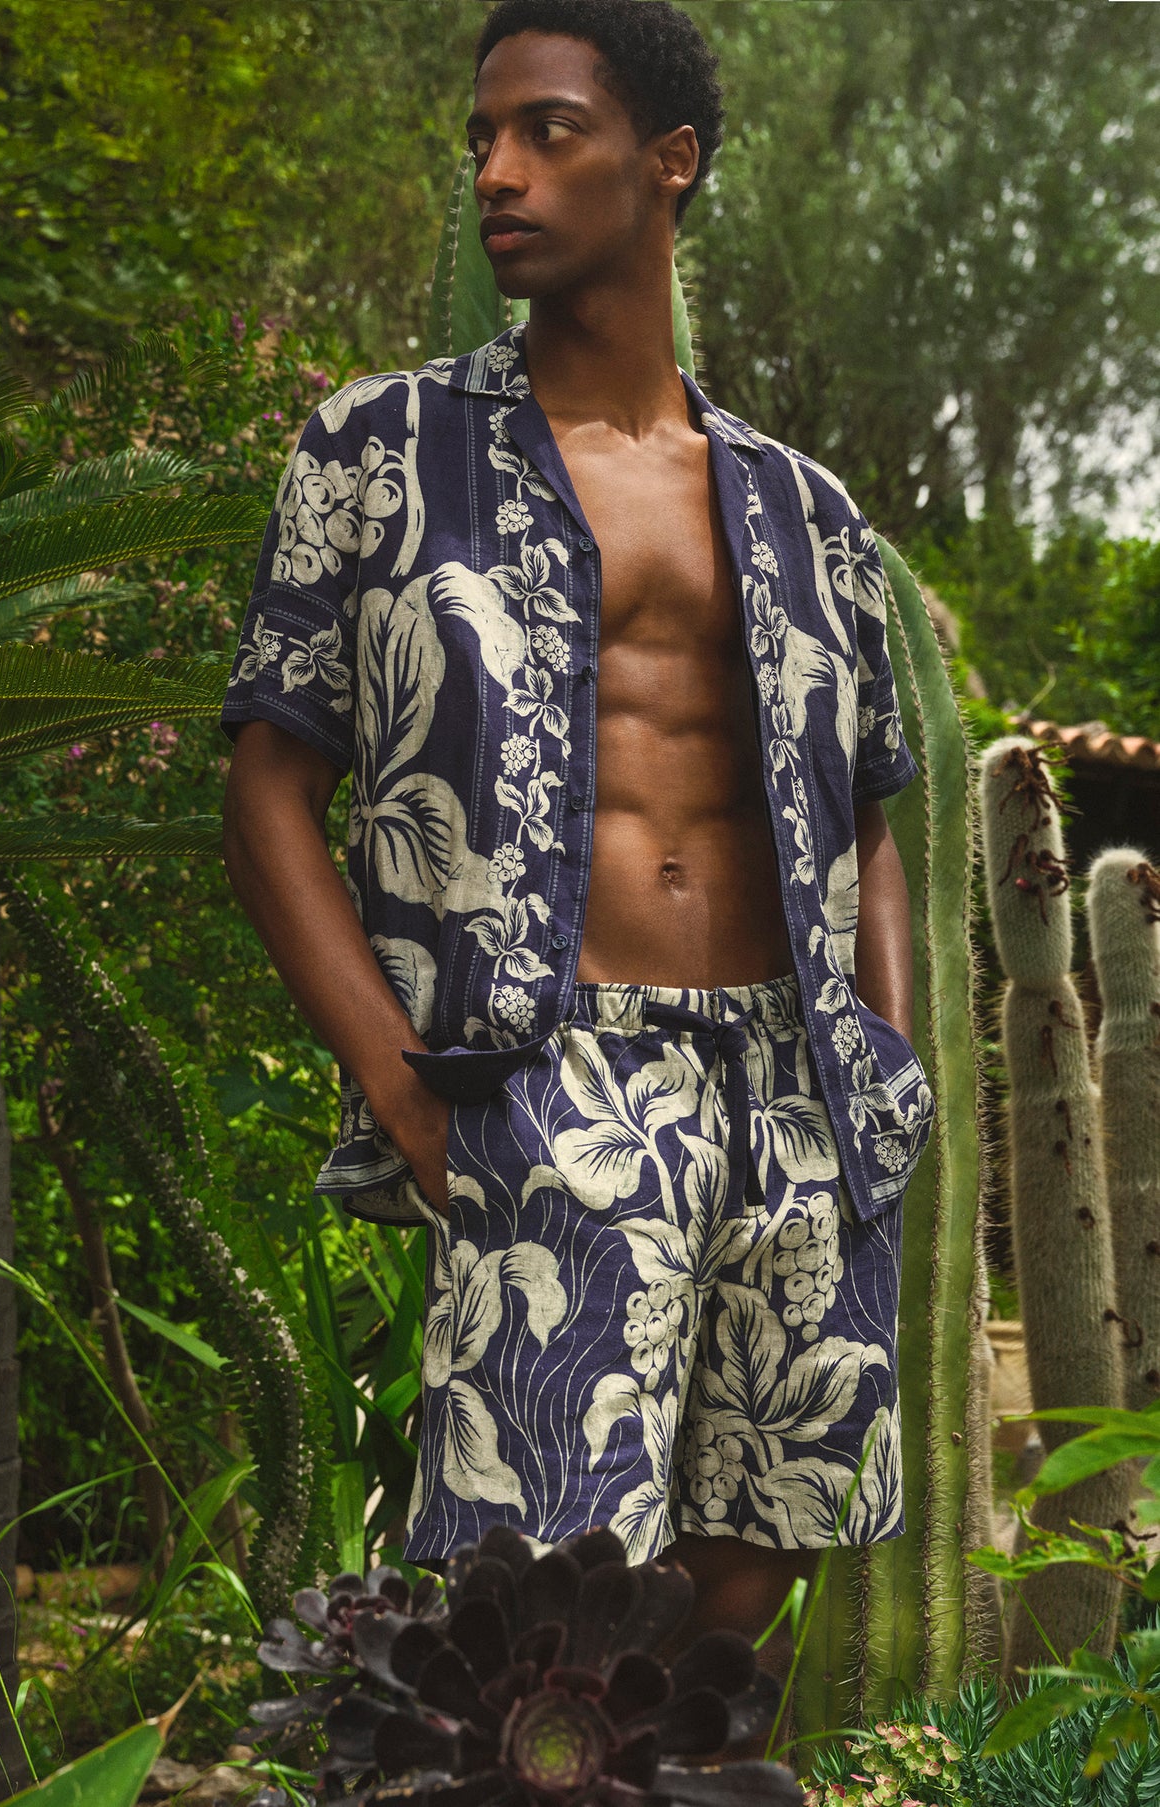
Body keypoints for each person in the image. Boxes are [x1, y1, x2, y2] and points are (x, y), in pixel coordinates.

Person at [221, 0, 934, 1716]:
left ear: (666, 162)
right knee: (533, 1595)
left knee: (755, 1563)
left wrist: (886, 1073)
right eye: (482, 138)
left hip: (799, 1090)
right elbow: (263, 792)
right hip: (554, 1067)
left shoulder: (804, 509)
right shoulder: (383, 453)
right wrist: (403, 1093)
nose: (495, 171)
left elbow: (869, 811)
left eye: (546, 131)